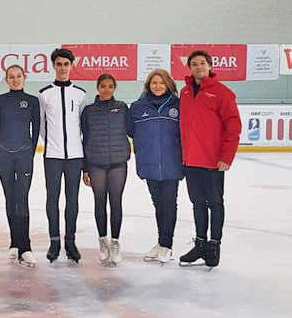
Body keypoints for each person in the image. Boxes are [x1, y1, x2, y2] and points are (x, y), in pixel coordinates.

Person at [179, 50, 241, 269]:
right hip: (191, 161)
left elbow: (234, 126)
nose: (198, 67)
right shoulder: (185, 93)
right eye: (194, 64)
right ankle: (200, 244)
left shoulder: (222, 93)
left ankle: (214, 244)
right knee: (197, 204)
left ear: (210, 65)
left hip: (213, 162)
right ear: (190, 68)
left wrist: (226, 156)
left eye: (202, 63)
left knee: (214, 203)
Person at [130, 69, 184, 265]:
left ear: (168, 84)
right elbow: (130, 132)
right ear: (148, 85)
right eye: (154, 83)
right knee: (158, 205)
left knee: (169, 205)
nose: (158, 86)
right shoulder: (137, 107)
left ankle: (166, 245)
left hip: (172, 165)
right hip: (150, 165)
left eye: (162, 83)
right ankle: (162, 243)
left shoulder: (179, 106)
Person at [38, 48, 87, 263]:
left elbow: (83, 125)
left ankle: (70, 241)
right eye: (59, 64)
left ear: (71, 66)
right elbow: (41, 125)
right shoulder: (45, 93)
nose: (63, 68)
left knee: (72, 199)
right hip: (53, 156)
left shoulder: (80, 94)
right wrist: (51, 145)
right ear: (54, 66)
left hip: (76, 156)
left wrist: (79, 148)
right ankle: (54, 241)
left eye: (66, 64)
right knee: (52, 199)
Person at [0, 65, 40, 265]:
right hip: (4, 155)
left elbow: (36, 129)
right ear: (7, 80)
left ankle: (25, 245)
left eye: (19, 76)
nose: (15, 79)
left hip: (24, 156)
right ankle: (14, 242)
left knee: (22, 198)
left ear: (24, 77)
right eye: (11, 77)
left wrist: (30, 151)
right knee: (10, 198)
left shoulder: (32, 101)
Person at [81, 74, 131, 265]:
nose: (107, 89)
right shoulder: (89, 111)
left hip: (118, 162)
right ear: (97, 87)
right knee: (99, 201)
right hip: (96, 163)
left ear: (115, 88)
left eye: (110, 86)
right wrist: (85, 169)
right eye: (103, 86)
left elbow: (132, 130)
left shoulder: (122, 108)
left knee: (116, 202)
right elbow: (85, 138)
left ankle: (115, 242)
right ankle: (103, 241)